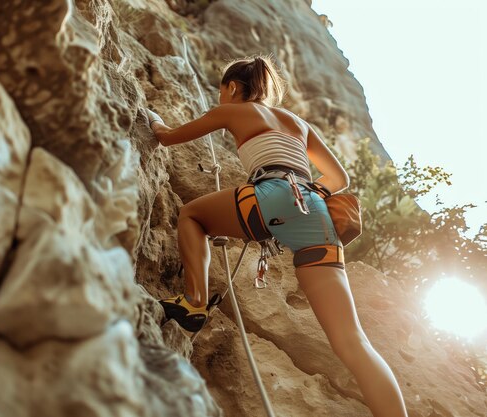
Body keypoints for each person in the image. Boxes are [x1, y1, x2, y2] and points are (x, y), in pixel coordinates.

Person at [144, 55, 408, 417]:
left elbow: (167, 138)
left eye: (224, 91)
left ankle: (194, 302)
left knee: (192, 216)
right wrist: (302, 195)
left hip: (274, 195)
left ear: (232, 87)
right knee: (353, 341)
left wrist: (154, 119)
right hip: (318, 214)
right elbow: (340, 179)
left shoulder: (232, 112)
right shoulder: (298, 123)